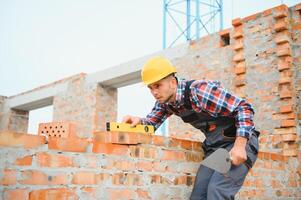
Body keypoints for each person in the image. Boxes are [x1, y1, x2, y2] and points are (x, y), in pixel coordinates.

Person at [123, 56, 259, 200]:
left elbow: (243, 108)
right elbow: (151, 124)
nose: (154, 92)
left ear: (172, 82)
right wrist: (139, 122)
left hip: (240, 144)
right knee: (198, 195)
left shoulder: (199, 91)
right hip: (218, 150)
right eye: (150, 88)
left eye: (158, 85)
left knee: (217, 191)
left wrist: (239, 146)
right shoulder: (165, 103)